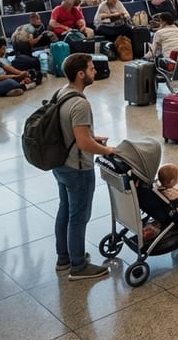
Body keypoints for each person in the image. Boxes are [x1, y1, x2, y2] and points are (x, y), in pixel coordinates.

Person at [52, 52, 115, 280]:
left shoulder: (61, 93)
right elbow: (82, 142)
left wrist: (91, 137)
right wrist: (107, 150)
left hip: (60, 164)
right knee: (78, 216)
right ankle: (78, 266)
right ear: (81, 74)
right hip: (77, 168)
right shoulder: (80, 103)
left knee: (65, 210)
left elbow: (71, 131)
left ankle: (64, 258)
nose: (94, 71)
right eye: (91, 68)